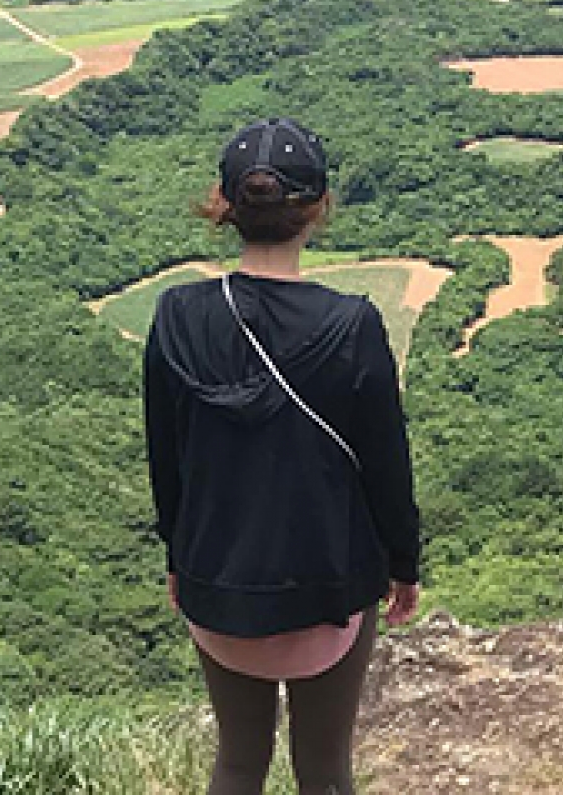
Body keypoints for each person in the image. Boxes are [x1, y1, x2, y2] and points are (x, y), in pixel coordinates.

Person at [144, 117, 422, 795]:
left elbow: (168, 458)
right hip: (329, 587)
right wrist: (404, 564)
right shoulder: (350, 326)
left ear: (226, 205)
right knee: (325, 770)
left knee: (238, 763)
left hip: (217, 585)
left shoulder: (177, 316)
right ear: (319, 207)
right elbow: (388, 464)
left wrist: (180, 559)